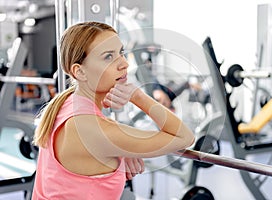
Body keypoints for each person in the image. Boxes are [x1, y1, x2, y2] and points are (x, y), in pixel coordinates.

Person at [32, 21, 195, 200]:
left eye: (121, 53)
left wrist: (120, 152)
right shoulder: (91, 128)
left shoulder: (67, 104)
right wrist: (138, 97)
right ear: (80, 72)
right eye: (108, 57)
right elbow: (184, 137)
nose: (124, 63)